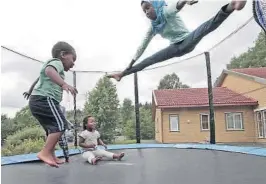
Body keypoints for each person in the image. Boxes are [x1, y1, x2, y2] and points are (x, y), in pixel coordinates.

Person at [107, 0, 247, 82]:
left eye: (148, 8)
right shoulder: (153, 28)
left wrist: (185, 1)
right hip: (174, 48)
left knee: (205, 28)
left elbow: (177, 5)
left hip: (187, 40)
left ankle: (231, 6)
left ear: (155, 6)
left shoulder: (166, 11)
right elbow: (141, 48)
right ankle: (121, 75)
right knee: (150, 59)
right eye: (144, 11)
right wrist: (127, 67)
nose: (147, 12)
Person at [27, 41, 78, 168]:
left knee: (52, 130)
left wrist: (29, 91)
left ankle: (51, 155)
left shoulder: (56, 67)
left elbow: (40, 76)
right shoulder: (56, 62)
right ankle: (44, 152)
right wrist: (64, 84)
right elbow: (49, 70)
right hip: (44, 99)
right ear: (63, 54)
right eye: (73, 59)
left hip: (38, 101)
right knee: (61, 125)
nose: (73, 63)